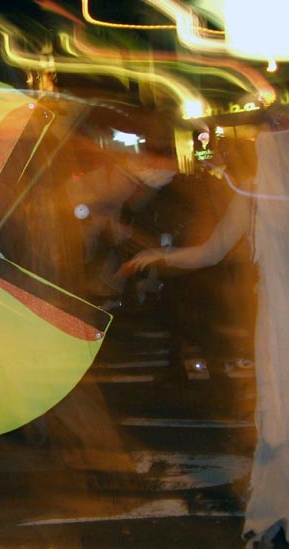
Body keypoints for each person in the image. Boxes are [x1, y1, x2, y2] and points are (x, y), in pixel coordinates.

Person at [123, 115, 289, 548]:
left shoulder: (253, 192)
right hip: (276, 323)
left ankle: (276, 510)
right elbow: (212, 251)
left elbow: (210, 252)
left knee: (280, 419)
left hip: (278, 326)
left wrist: (160, 256)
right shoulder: (252, 192)